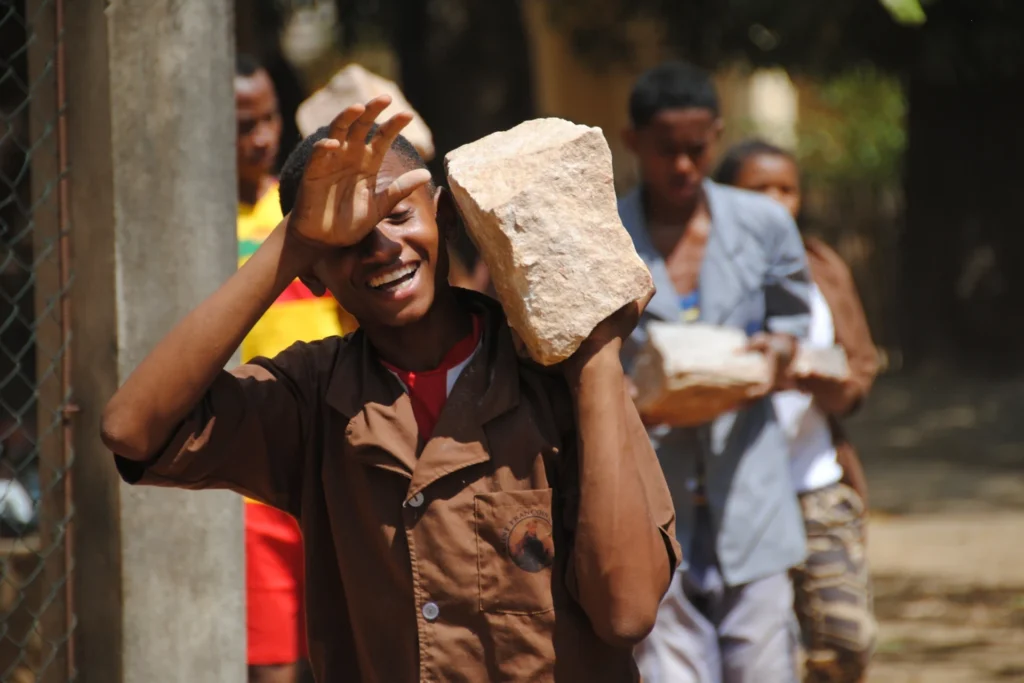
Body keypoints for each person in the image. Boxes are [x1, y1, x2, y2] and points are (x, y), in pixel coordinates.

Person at [101, 95, 680, 682]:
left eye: (399, 215)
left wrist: (601, 359)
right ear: (311, 274)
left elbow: (627, 613)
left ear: (446, 218)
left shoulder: (558, 376)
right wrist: (292, 242)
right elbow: (132, 430)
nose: (379, 247)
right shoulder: (312, 397)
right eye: (344, 239)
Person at [618, 61, 811, 683]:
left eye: (696, 150)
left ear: (717, 137)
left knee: (763, 665)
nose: (682, 166)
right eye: (665, 150)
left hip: (751, 494)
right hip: (649, 499)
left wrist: (774, 354)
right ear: (633, 142)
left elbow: (795, 319)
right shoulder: (606, 235)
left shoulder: (765, 225)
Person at [715, 139, 879, 683]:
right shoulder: (699, 268)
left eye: (786, 189)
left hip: (815, 484)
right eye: (758, 189)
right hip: (729, 493)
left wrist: (808, 376)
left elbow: (857, 371)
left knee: (846, 643)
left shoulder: (823, 270)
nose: (775, 202)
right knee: (759, 651)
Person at [236, 54, 342, 683]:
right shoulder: (199, 228)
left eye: (270, 117)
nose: (262, 136)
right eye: (243, 123)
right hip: (259, 481)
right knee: (275, 665)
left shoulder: (309, 212)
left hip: (334, 462)